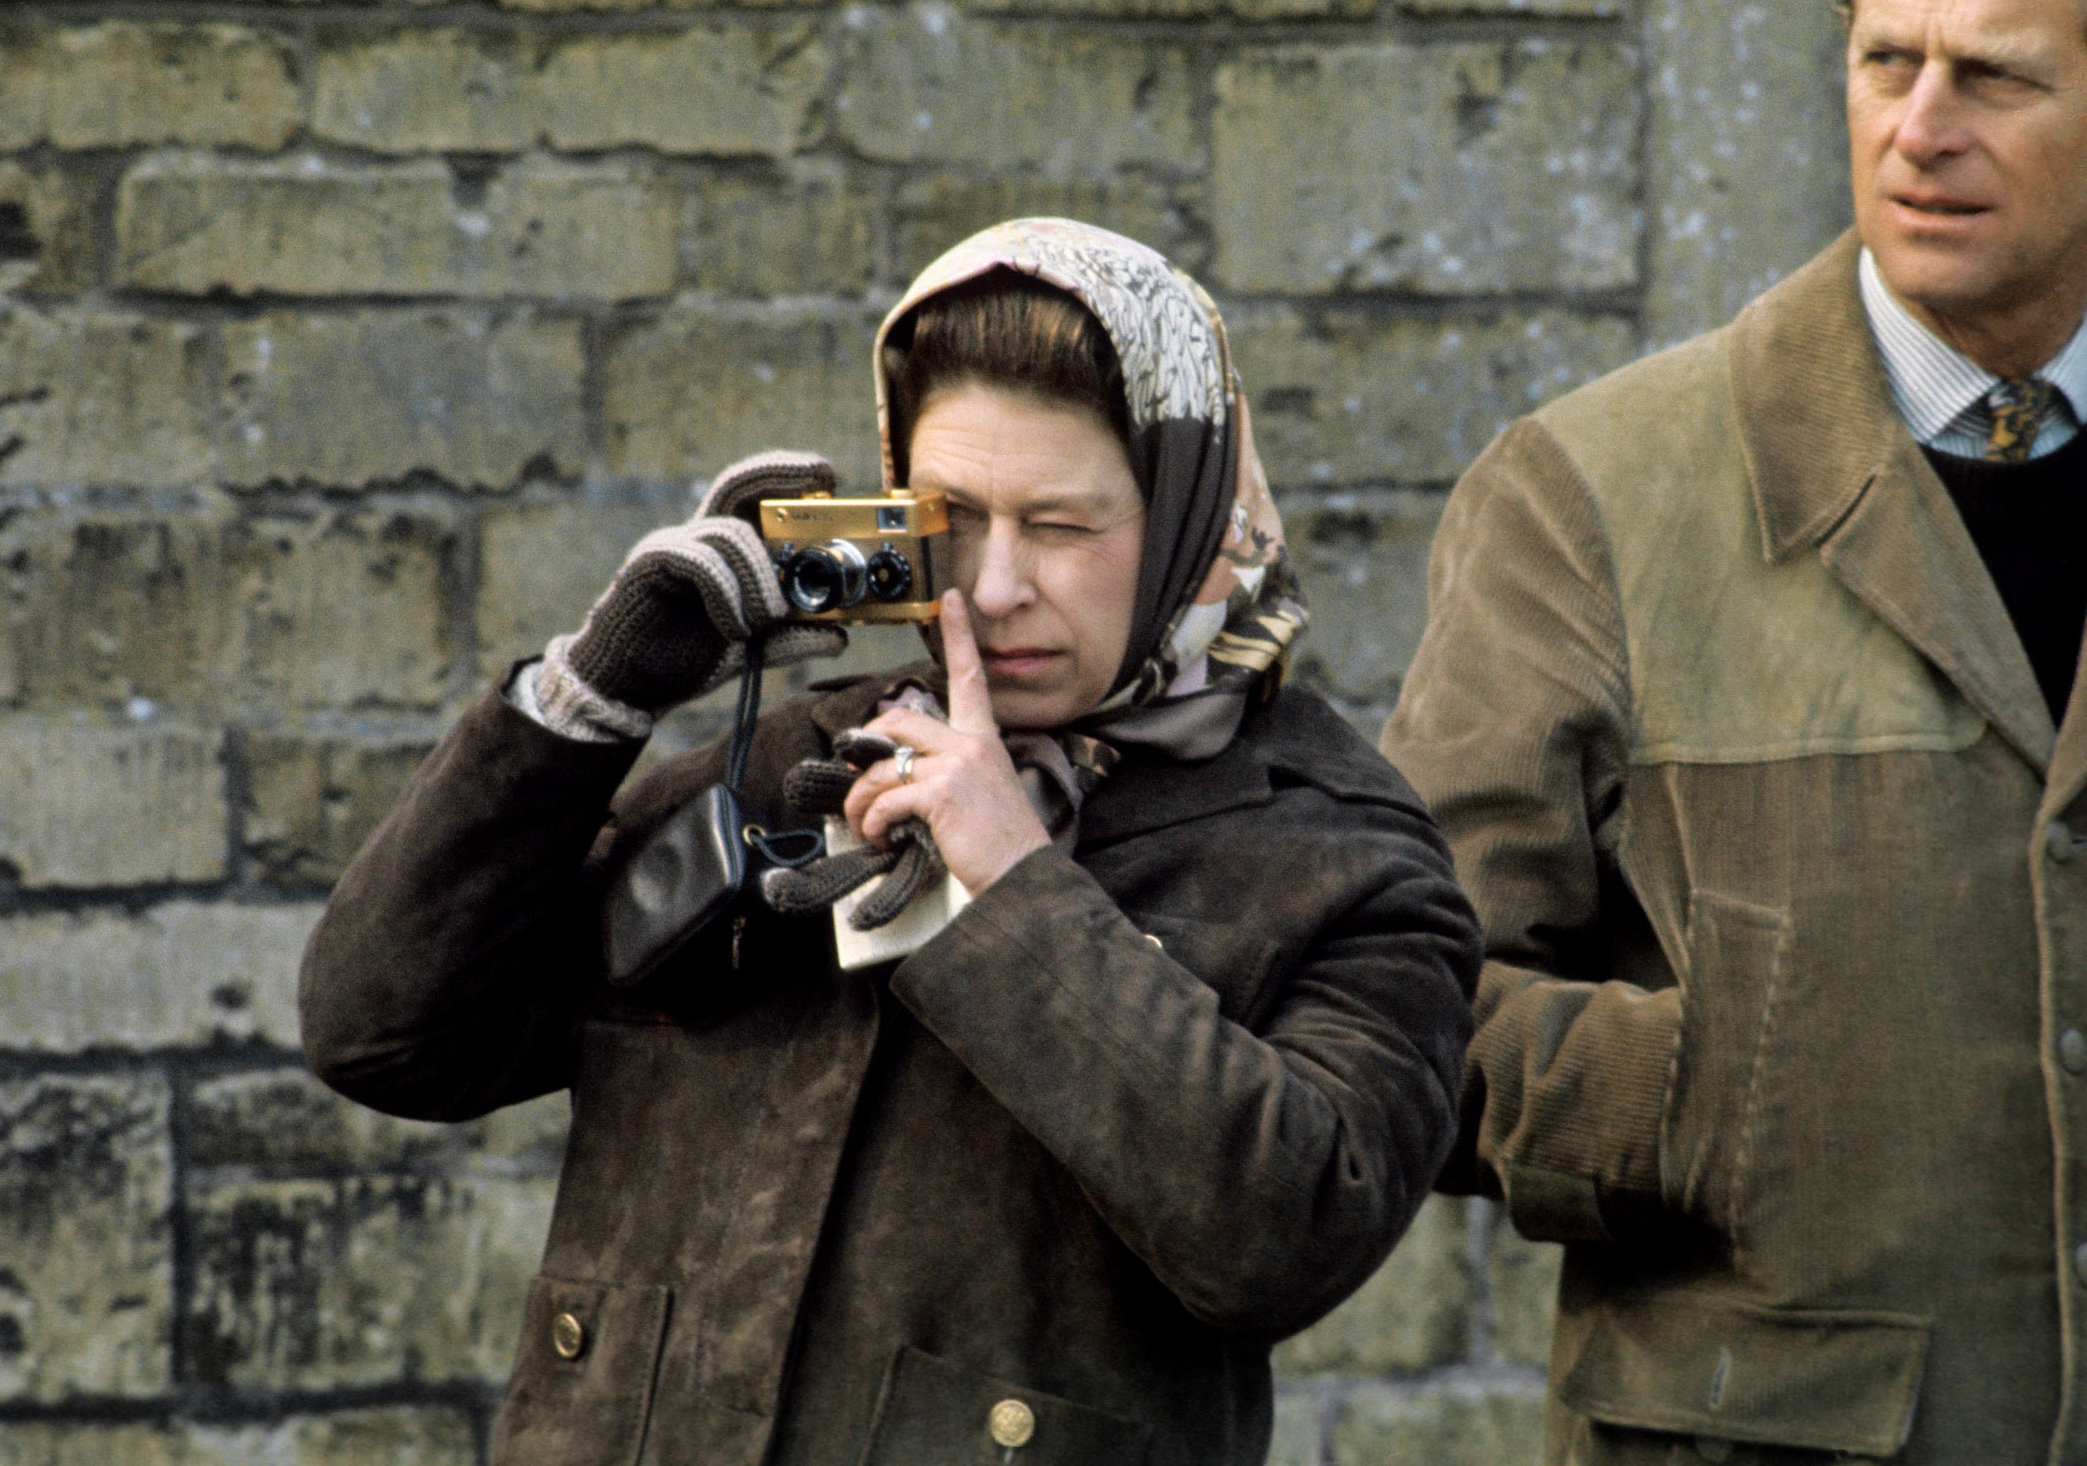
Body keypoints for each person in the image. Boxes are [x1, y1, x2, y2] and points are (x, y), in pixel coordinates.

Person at [301, 219, 1480, 1466]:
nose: (996, 583)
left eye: (1065, 526)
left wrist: (1014, 879)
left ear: (1191, 512)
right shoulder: (799, 756)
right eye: (953, 515)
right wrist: (596, 696)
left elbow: (1280, 1239)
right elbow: (385, 1035)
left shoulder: (1339, 856)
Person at [1379, 0, 2087, 1459]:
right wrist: (1703, 1094)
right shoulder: (1590, 496)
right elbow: (1387, 993)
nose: (1920, 127)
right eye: (1885, 59)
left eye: (1994, 75)